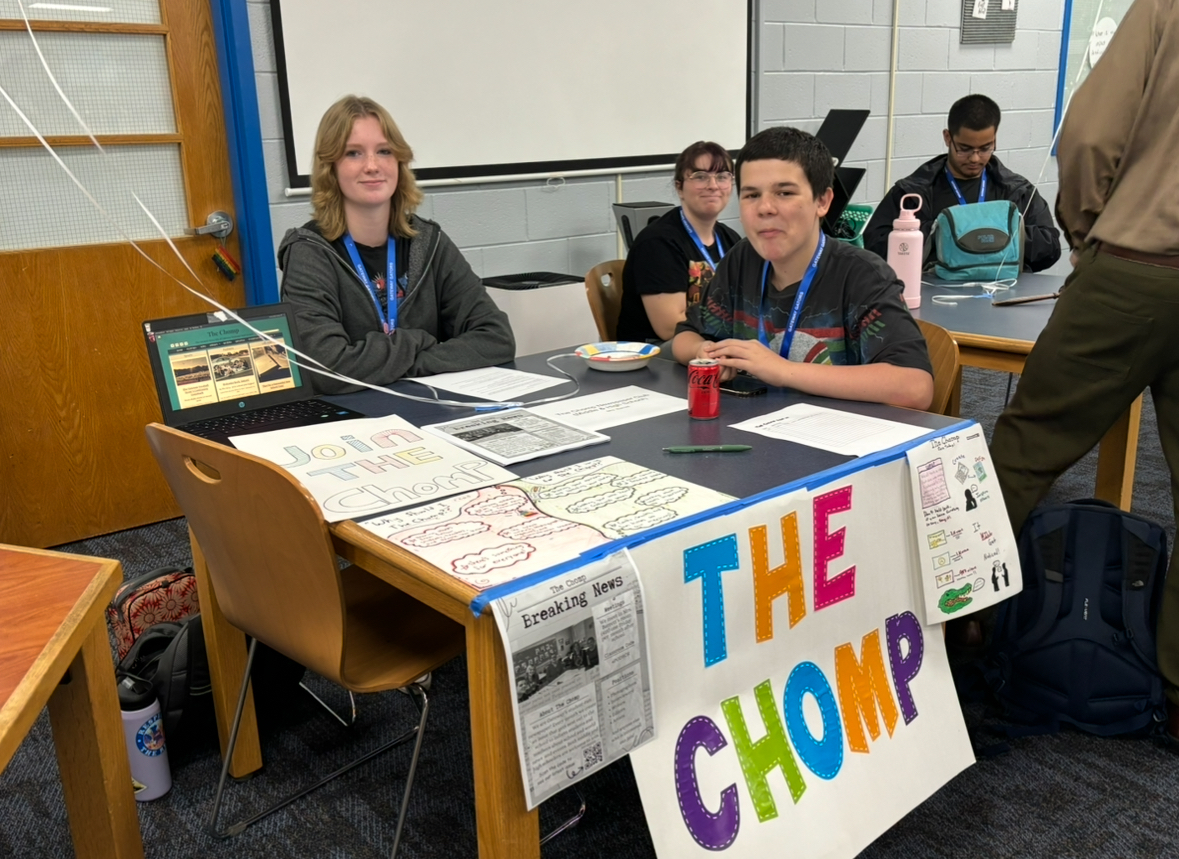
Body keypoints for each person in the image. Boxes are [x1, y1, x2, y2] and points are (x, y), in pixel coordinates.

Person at [988, 0, 1179, 738]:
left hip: (1135, 265)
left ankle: (957, 633)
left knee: (1023, 449)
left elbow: (1090, 135)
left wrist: (1087, 234)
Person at [672, 126, 933, 410]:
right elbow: (684, 336)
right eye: (751, 195)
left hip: (835, 440)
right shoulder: (741, 259)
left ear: (822, 201)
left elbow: (914, 388)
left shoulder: (861, 275)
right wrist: (703, 351)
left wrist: (783, 371)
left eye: (784, 193)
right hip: (755, 432)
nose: (765, 208)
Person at [278, 95, 514, 394]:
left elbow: (496, 339)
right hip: (358, 421)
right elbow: (328, 370)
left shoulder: (429, 242)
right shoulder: (310, 253)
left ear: (399, 162)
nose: (372, 166)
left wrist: (406, 367)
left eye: (384, 151)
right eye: (353, 153)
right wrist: (416, 340)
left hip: (432, 407)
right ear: (330, 168)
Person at [862, 94, 1061, 273]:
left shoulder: (1017, 191)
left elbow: (1050, 248)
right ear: (948, 138)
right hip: (935, 300)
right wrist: (940, 233)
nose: (975, 158)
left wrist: (1001, 232)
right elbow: (874, 246)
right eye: (964, 149)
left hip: (1000, 296)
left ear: (995, 139)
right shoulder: (913, 192)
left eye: (985, 148)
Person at [616, 142, 742, 343]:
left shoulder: (731, 240)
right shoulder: (657, 244)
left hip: (713, 343)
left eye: (722, 176)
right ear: (679, 187)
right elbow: (669, 329)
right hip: (660, 355)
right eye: (700, 176)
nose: (713, 185)